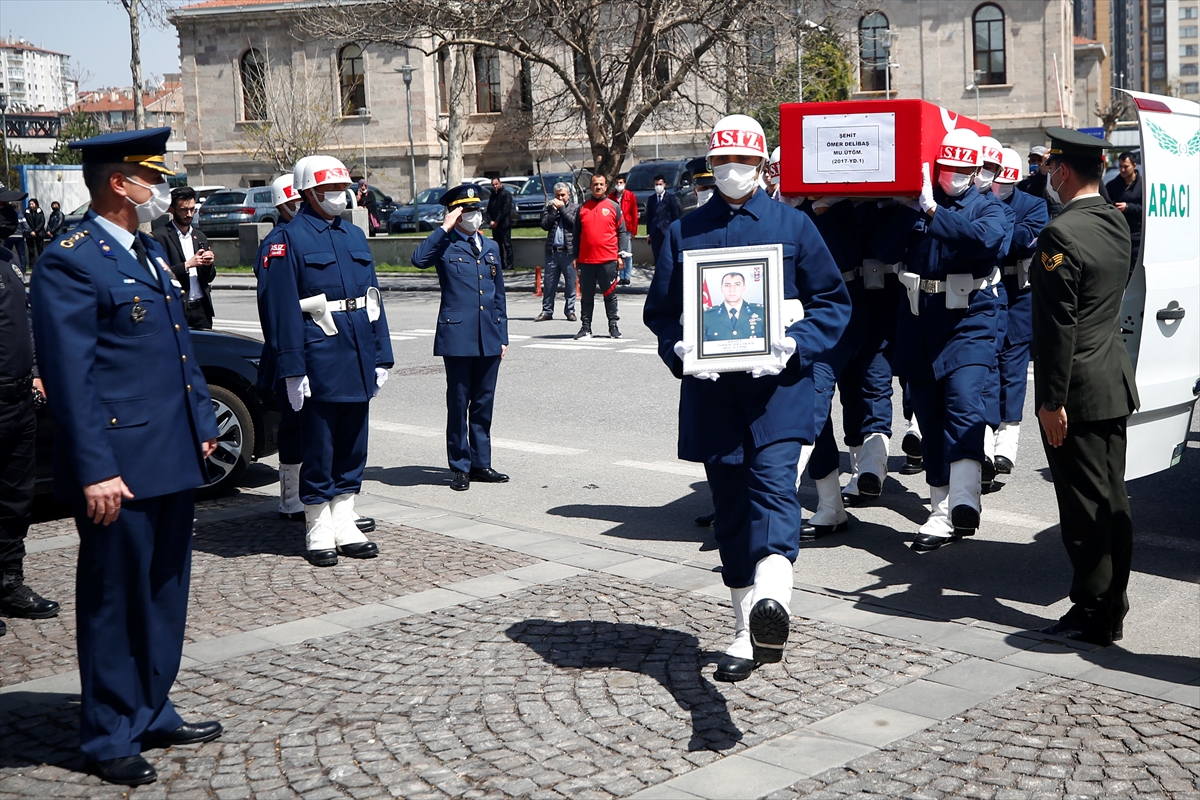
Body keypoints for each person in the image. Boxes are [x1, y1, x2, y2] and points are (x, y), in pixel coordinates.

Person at [30, 127, 223, 787]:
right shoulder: (71, 259)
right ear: (120, 182)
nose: (160, 187)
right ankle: (110, 730)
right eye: (152, 176)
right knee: (115, 599)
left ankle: (152, 704)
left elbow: (177, 348)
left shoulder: (145, 250)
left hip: (170, 452)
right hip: (120, 462)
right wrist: (95, 468)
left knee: (164, 591)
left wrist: (201, 419)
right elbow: (71, 377)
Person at [645, 114, 850, 683]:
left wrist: (794, 343)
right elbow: (661, 313)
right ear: (709, 167)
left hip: (780, 391)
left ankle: (775, 600)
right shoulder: (685, 232)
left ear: (763, 166)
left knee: (776, 491)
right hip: (714, 396)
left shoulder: (795, 226)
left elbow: (833, 303)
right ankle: (744, 628)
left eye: (744, 162)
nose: (733, 172)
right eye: (721, 163)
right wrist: (681, 348)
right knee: (731, 510)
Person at [1032, 128, 1139, 648]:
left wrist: (1051, 400)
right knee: (1111, 500)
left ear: (1064, 172)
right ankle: (1110, 603)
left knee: (1084, 510)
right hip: (1112, 380)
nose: (1048, 178)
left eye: (1051, 169)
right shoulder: (1115, 222)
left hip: (1076, 390)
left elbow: (1059, 328)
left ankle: (1096, 612)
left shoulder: (1061, 233)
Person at [264, 155, 393, 567]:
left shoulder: (354, 235)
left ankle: (344, 520)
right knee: (319, 445)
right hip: (318, 353)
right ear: (308, 193)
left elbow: (373, 297)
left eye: (343, 188)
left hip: (356, 352)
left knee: (354, 442)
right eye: (330, 191)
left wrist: (381, 354)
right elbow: (281, 310)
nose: (341, 196)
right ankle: (318, 524)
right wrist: (292, 369)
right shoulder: (290, 238)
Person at [887, 128, 1007, 552]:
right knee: (929, 414)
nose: (954, 175)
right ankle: (940, 507)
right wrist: (902, 208)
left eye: (962, 169)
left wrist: (935, 211)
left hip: (969, 319)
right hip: (920, 319)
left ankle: (963, 499)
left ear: (976, 171)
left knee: (964, 404)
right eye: (946, 167)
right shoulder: (915, 202)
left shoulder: (986, 206)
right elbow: (883, 249)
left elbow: (985, 241)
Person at [412, 185, 510, 492]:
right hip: (457, 337)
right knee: (458, 402)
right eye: (467, 212)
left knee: (483, 404)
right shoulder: (446, 244)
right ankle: (459, 466)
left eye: (477, 210)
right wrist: (444, 228)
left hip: (488, 337)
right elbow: (418, 259)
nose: (475, 216)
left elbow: (499, 296)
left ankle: (481, 463)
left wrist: (503, 335)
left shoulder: (490, 247)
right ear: (456, 214)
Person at [0, 182, 59, 639]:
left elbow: (26, 321)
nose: (11, 215)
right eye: (4, 208)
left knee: (15, 499)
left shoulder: (10, 258)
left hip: (20, 397)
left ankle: (8, 583)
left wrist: (36, 368)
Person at [991, 147, 1049, 474]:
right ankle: (985, 441)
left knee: (1012, 370)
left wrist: (987, 223)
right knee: (985, 369)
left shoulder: (1035, 206)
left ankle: (1007, 444)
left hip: (1017, 297)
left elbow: (1018, 242)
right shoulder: (977, 199)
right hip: (984, 295)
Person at [573, 173, 631, 340]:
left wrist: (621, 255)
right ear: (590, 187)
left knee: (610, 295)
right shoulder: (582, 208)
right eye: (595, 184)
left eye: (601, 184)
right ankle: (586, 327)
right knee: (587, 296)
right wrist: (574, 256)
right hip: (586, 261)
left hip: (608, 260)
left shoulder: (613, 207)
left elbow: (622, 232)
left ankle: (613, 327)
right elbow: (576, 234)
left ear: (606, 187)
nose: (598, 187)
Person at [152, 186, 216, 330]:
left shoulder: (199, 236)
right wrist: (186, 265)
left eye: (192, 209)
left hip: (201, 309)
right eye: (184, 210)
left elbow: (209, 277)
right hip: (177, 307)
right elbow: (157, 274)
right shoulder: (160, 237)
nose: (189, 214)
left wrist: (208, 264)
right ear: (172, 209)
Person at [536, 182, 578, 322]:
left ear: (569, 195)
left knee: (570, 283)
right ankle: (547, 311)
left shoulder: (574, 208)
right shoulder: (550, 208)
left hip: (569, 252)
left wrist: (563, 210)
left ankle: (570, 310)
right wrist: (554, 211)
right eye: (557, 195)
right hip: (553, 252)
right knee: (549, 283)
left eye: (562, 195)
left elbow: (575, 224)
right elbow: (544, 225)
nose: (560, 198)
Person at [1105, 151, 1143, 276]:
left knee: (1133, 268)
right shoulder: (1112, 185)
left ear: (1134, 166)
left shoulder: (1143, 186)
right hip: (1118, 233)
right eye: (1120, 166)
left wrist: (1128, 207)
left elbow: (1146, 209)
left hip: (1136, 234)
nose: (1122, 169)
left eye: (1126, 166)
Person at [702, 270, 765, 341]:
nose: (732, 289)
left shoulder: (761, 313)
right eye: (727, 285)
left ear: (744, 288)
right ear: (721, 289)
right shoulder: (706, 317)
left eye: (737, 284)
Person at [643, 173, 681, 262]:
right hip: (655, 231)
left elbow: (675, 215)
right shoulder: (651, 199)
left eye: (660, 184)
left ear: (664, 185)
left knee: (668, 255)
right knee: (657, 255)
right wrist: (648, 233)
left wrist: (675, 232)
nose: (658, 186)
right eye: (656, 184)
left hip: (667, 230)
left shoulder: (671, 198)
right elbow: (649, 216)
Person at [609, 174, 638, 285]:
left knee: (628, 253)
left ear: (625, 184)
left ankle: (627, 276)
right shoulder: (611, 197)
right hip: (615, 229)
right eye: (617, 183)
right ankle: (621, 276)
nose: (619, 185)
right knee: (619, 253)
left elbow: (634, 213)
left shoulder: (630, 196)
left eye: (621, 183)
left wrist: (634, 231)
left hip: (627, 229)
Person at [487, 176, 514, 271]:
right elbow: (489, 209)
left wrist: (497, 221)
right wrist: (490, 220)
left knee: (507, 245)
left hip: (504, 224)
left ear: (500, 184)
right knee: (498, 246)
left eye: (496, 184)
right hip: (495, 225)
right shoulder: (492, 195)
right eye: (493, 185)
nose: (494, 186)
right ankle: (501, 264)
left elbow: (505, 210)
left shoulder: (506, 194)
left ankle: (510, 264)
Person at [24, 198, 46, 265]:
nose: (31, 205)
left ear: (36, 204)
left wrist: (35, 231)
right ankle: (31, 264)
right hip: (29, 233)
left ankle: (42, 263)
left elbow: (42, 222)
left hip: (39, 233)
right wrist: (31, 231)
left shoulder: (40, 212)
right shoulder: (27, 212)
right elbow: (25, 223)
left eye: (32, 204)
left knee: (40, 249)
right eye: (30, 204)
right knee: (31, 250)